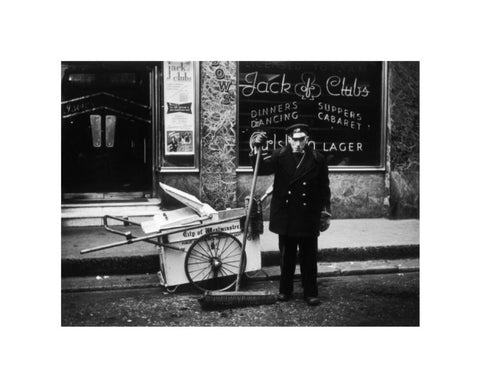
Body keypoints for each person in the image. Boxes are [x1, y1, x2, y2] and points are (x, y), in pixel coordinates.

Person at [251, 123, 331, 306]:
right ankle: (285, 290)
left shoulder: (318, 158)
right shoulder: (280, 155)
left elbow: (324, 187)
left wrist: (325, 211)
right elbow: (261, 169)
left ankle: (310, 292)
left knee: (308, 256)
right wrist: (256, 149)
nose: (298, 143)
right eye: (294, 139)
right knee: (286, 256)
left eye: (301, 139)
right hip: (286, 214)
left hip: (308, 214)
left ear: (307, 139)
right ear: (288, 139)